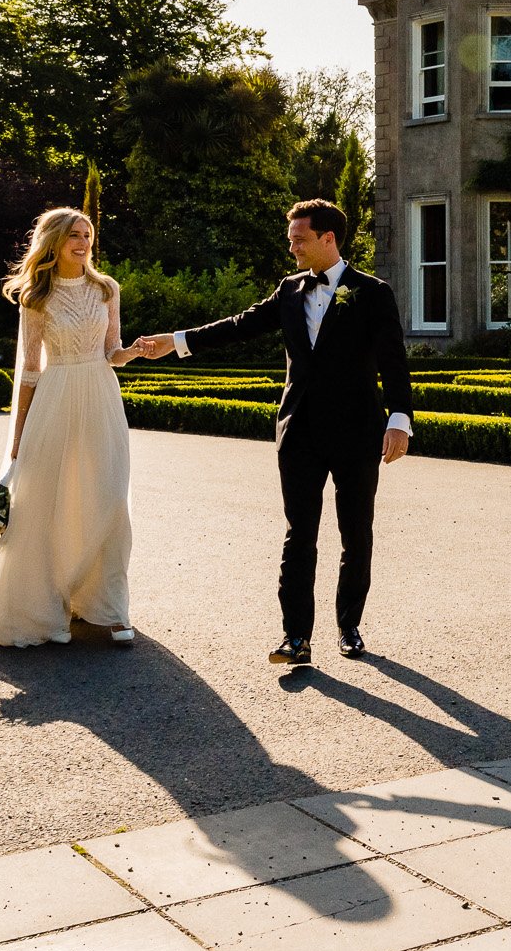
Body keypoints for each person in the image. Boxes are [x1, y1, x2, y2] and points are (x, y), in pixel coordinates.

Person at [136, 199, 412, 666]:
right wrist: (177, 341)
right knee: (298, 534)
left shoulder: (372, 292)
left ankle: (349, 626)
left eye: (299, 240)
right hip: (299, 430)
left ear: (328, 239)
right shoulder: (288, 290)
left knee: (355, 533)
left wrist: (399, 420)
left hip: (356, 432)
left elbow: (394, 362)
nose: (292, 249)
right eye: (290, 240)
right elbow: (240, 325)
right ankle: (296, 638)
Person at [0, 208, 147, 647]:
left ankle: (109, 607)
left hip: (102, 399)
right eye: (74, 235)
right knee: (46, 502)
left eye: (87, 235)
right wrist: (18, 438)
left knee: (108, 497)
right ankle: (47, 606)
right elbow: (30, 368)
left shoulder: (107, 289)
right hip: (55, 397)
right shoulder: (37, 297)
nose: (83, 242)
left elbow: (111, 351)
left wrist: (134, 352)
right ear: (54, 241)